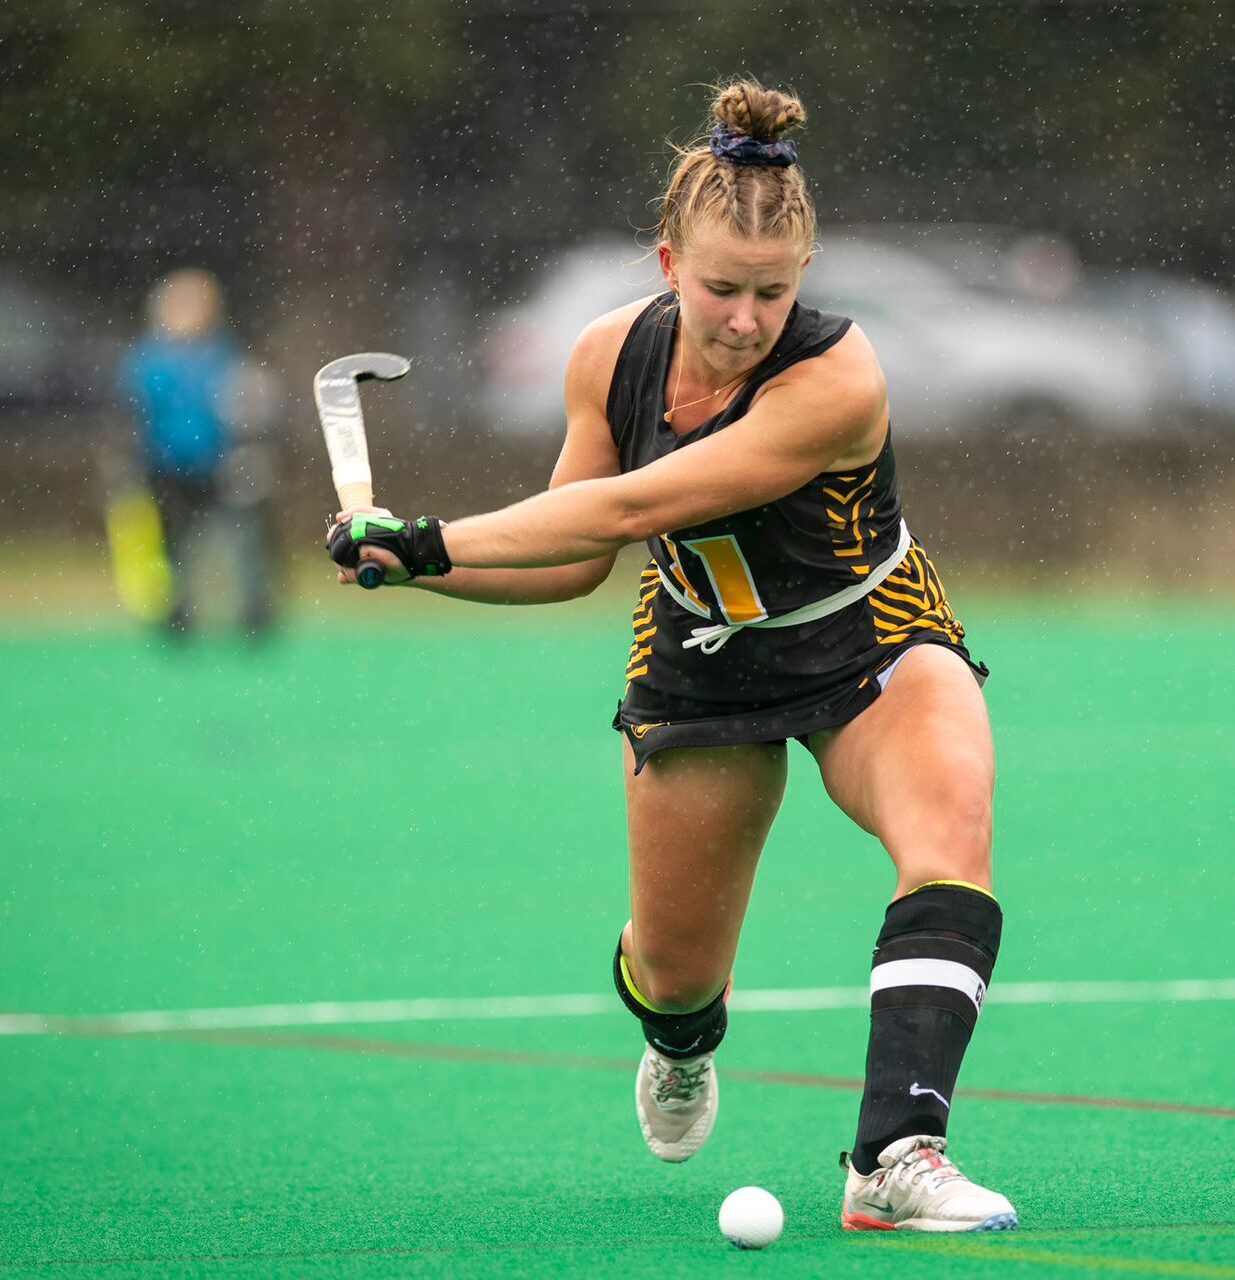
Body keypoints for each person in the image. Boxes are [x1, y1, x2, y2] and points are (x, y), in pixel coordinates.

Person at [328, 80, 1017, 1233]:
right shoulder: (608, 357)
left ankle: (894, 1154)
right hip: (699, 660)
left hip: (869, 632)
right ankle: (682, 1038)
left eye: (771, 290)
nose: (745, 316)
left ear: (804, 276)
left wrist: (433, 530)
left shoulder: (835, 379)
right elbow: (568, 558)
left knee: (949, 836)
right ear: (665, 262)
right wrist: (410, 562)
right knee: (677, 970)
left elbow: (626, 507)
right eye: (719, 288)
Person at [118, 267, 278, 636]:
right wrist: (126, 463)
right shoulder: (146, 361)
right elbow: (131, 415)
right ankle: (176, 616)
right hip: (164, 469)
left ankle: (255, 615)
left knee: (244, 542)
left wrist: (250, 452)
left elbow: (251, 408)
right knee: (173, 547)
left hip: (221, 467)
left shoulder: (226, 356)